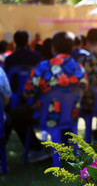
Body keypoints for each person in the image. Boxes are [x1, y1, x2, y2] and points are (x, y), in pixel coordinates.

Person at [5, 32, 88, 163]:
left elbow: (27, 92)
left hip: (46, 116)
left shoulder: (43, 67)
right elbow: (84, 89)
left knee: (15, 114)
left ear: (53, 48)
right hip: (71, 115)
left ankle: (37, 149)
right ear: (72, 47)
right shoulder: (80, 69)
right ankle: (63, 148)